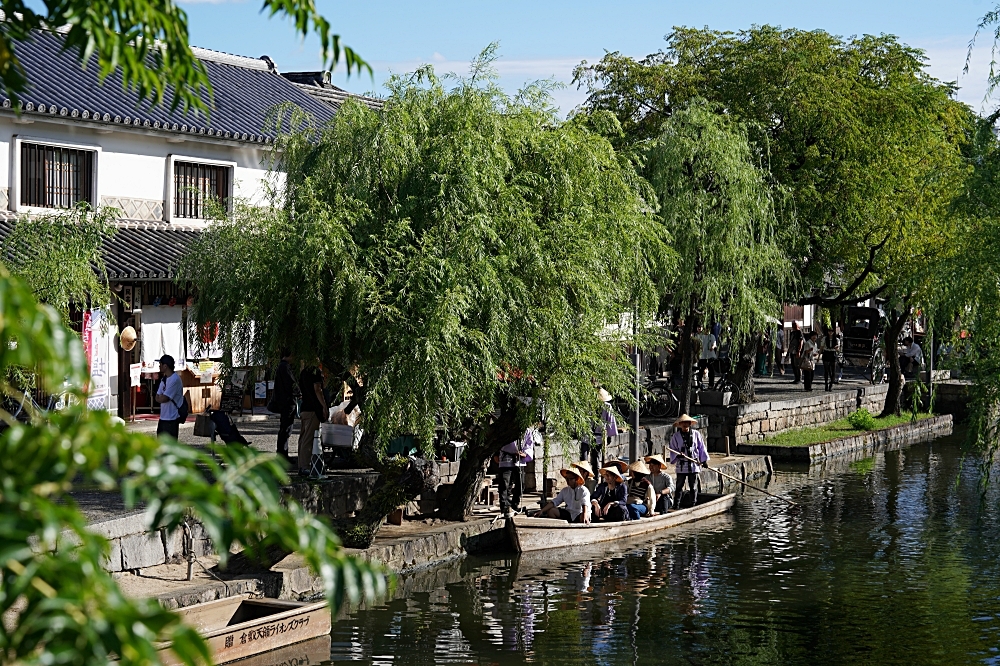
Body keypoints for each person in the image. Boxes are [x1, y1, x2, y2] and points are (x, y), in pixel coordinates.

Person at [669, 414, 709, 507]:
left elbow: (701, 447)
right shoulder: (676, 436)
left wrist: (704, 461)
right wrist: (678, 454)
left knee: (693, 486)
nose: (685, 425)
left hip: (693, 463)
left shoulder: (696, 434)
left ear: (690, 424)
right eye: (683, 423)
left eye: (686, 423)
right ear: (680, 424)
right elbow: (673, 449)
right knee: (679, 486)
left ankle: (693, 504)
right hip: (682, 464)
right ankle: (676, 504)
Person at [498, 427, 538, 516]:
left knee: (521, 484)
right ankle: (505, 506)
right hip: (506, 458)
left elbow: (529, 443)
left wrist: (525, 453)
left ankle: (514, 504)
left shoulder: (527, 430)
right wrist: (514, 450)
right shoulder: (507, 427)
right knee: (505, 484)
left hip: (519, 459)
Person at [297, 361, 327, 475]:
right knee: (309, 438)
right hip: (313, 409)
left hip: (304, 408)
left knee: (303, 437)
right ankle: (305, 466)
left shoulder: (303, 372)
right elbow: (317, 389)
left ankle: (301, 464)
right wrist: (324, 406)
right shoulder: (315, 372)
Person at [270, 349, 298, 463]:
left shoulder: (281, 367)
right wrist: (298, 393)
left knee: (285, 428)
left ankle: (282, 453)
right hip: (286, 402)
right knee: (286, 429)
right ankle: (282, 454)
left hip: (283, 401)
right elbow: (291, 384)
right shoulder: (285, 367)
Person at [154, 354, 185, 440]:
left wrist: (160, 397)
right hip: (163, 417)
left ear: (165, 366)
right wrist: (160, 397)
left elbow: (165, 398)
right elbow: (157, 396)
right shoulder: (164, 378)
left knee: (170, 447)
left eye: (160, 364)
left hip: (172, 418)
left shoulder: (175, 379)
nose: (159, 366)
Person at [820, 325, 840, 391]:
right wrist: (818, 356)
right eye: (829, 331)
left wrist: (837, 349)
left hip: (833, 353)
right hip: (826, 353)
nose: (830, 332)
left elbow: (838, 349)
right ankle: (826, 384)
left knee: (833, 371)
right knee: (826, 370)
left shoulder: (837, 340)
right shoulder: (824, 338)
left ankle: (831, 384)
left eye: (832, 331)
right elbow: (821, 347)